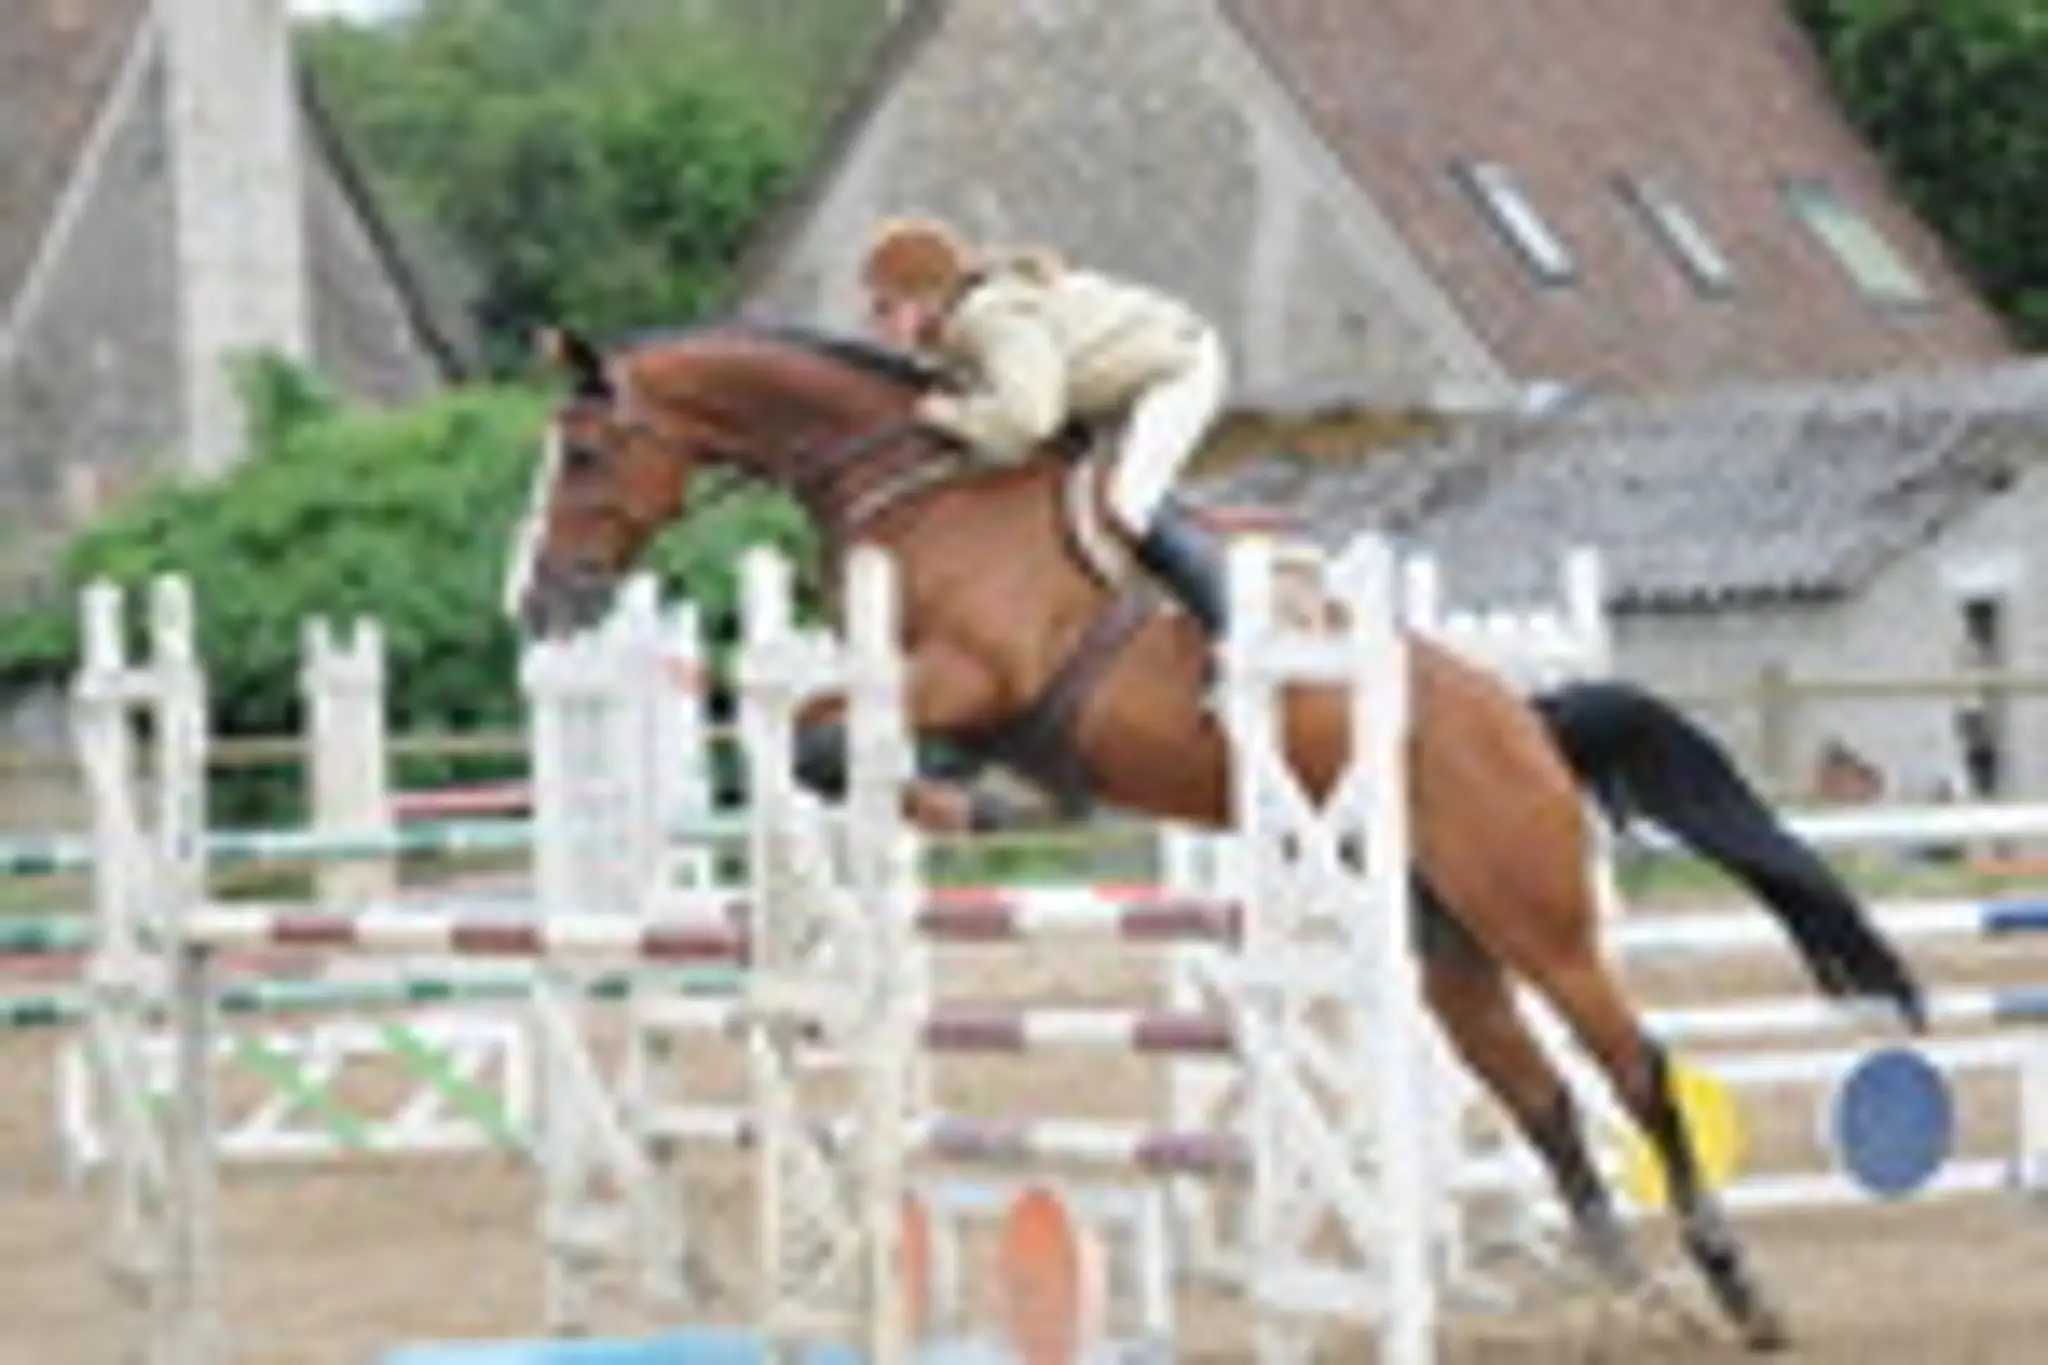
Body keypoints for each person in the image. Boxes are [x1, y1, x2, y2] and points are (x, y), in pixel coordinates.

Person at [859, 215, 1229, 634]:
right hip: (1111, 385)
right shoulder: (958, 330)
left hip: (1177, 371)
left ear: (926, 298)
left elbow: (1030, 420)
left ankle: (1232, 628)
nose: (874, 323)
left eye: (885, 308)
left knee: (1123, 506)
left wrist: (947, 414)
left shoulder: (989, 317)